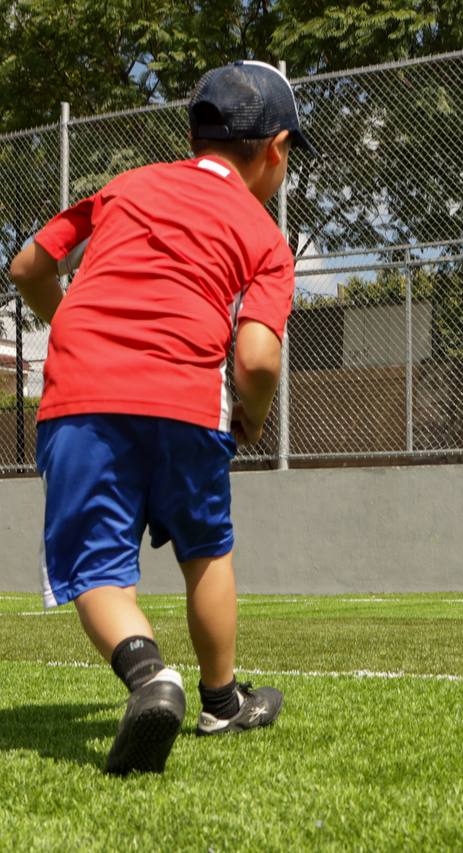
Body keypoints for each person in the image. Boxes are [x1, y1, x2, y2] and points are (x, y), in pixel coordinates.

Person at [7, 60, 314, 776]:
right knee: (206, 548)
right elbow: (260, 358)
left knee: (98, 566)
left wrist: (76, 330)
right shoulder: (265, 236)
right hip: (188, 402)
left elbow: (27, 267)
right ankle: (221, 699)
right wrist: (254, 418)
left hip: (82, 399)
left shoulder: (127, 186)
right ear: (274, 149)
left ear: (193, 133)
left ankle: (150, 676)